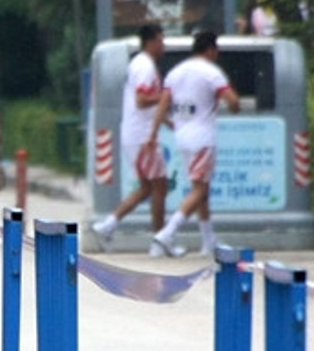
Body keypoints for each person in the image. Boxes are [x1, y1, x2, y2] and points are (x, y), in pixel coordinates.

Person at [149, 30, 240, 257]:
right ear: (210, 50)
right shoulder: (211, 73)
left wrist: (153, 133)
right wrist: (235, 106)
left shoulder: (176, 72)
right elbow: (232, 101)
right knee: (200, 190)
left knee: (202, 188)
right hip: (203, 138)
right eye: (216, 51)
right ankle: (168, 232)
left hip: (182, 137)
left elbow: (163, 105)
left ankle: (208, 240)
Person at [92, 23, 171, 254]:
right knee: (160, 185)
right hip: (143, 136)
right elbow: (141, 100)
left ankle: (107, 225)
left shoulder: (139, 63)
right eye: (161, 40)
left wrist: (166, 120)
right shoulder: (145, 66)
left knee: (147, 187)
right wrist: (165, 96)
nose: (163, 45)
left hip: (135, 133)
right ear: (150, 42)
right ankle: (159, 241)